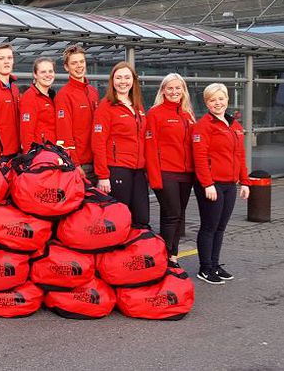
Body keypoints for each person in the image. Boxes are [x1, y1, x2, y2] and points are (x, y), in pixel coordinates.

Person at [192, 83, 250, 285]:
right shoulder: (203, 126)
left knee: (220, 227)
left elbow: (240, 155)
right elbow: (199, 158)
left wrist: (245, 182)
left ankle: (215, 264)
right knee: (209, 226)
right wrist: (207, 184)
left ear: (227, 99)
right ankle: (205, 268)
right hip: (211, 185)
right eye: (212, 99)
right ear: (207, 103)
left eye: (221, 98)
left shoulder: (234, 125)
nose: (217, 103)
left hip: (229, 184)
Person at [145, 73, 196, 268]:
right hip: (166, 173)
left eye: (178, 88)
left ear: (183, 90)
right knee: (172, 213)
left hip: (186, 174)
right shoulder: (155, 113)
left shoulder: (188, 113)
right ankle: (167, 255)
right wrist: (154, 179)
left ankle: (172, 255)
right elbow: (150, 147)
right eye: (170, 88)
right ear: (163, 90)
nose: (174, 92)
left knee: (178, 214)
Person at [92, 62, 149, 227]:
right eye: (118, 77)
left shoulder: (137, 106)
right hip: (118, 169)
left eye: (127, 77)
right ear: (112, 81)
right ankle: (117, 252)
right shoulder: (106, 106)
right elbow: (98, 142)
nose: (123, 81)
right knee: (119, 218)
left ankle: (135, 251)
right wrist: (103, 176)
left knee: (142, 218)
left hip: (138, 170)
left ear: (133, 80)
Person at [55, 45, 99, 185]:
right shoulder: (64, 95)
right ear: (66, 67)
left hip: (98, 161)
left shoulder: (93, 92)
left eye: (81, 62)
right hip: (81, 164)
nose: (79, 66)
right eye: (74, 63)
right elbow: (64, 133)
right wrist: (75, 163)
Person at [19, 57, 56, 153]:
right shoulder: (30, 97)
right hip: (39, 154)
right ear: (35, 75)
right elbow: (26, 133)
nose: (48, 75)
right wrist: (30, 157)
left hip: (53, 152)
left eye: (50, 71)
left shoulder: (52, 96)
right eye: (43, 72)